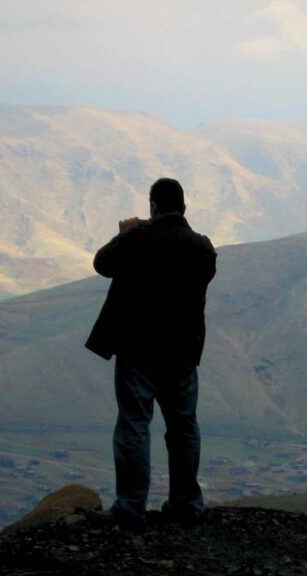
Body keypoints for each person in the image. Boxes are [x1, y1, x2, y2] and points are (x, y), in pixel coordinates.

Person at [85, 177, 217, 528]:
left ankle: (130, 508)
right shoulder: (202, 248)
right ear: (184, 207)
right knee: (183, 427)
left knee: (133, 425)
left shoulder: (136, 241)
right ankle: (187, 506)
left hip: (138, 350)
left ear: (152, 205)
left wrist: (124, 234)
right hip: (183, 352)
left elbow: (101, 264)